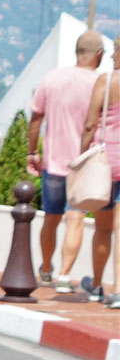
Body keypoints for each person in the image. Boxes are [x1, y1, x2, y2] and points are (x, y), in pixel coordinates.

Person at [29, 29, 104, 289]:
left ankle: (47, 269)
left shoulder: (52, 78)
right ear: (99, 54)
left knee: (50, 217)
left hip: (53, 161)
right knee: (75, 219)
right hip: (83, 164)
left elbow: (36, 117)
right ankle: (64, 275)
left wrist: (32, 152)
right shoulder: (100, 83)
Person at [75, 64, 120, 303]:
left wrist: (82, 154)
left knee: (103, 229)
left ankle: (97, 284)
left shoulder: (107, 80)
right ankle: (119, 289)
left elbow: (90, 124)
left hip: (106, 165)